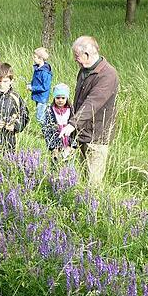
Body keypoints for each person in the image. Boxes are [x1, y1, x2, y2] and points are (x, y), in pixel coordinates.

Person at [59, 36, 119, 187]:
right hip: (82, 133)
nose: (75, 60)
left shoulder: (107, 74)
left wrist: (72, 124)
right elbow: (79, 101)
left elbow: (92, 103)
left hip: (97, 136)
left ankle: (93, 209)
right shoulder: (84, 71)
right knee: (81, 179)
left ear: (86, 55)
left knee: (93, 184)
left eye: (76, 56)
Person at [41, 83, 76, 165]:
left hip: (68, 144)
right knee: (55, 165)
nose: (60, 100)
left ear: (67, 98)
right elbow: (47, 130)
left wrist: (73, 145)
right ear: (54, 98)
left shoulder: (71, 110)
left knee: (69, 166)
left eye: (63, 98)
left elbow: (75, 129)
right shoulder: (50, 110)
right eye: (58, 98)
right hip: (56, 145)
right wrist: (53, 147)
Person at [27, 47, 53, 124]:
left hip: (42, 97)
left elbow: (45, 87)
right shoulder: (38, 68)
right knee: (40, 114)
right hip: (38, 96)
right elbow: (36, 80)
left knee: (40, 118)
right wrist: (30, 84)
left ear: (40, 59)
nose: (33, 58)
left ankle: (44, 132)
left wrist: (32, 88)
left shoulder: (45, 72)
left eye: (35, 57)